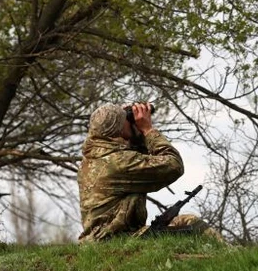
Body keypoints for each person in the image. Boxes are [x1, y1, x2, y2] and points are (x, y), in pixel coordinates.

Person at [77, 102, 219, 242]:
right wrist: (148, 130)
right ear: (117, 128)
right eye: (126, 120)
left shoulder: (91, 160)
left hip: (100, 238)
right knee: (190, 222)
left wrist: (132, 131)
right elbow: (174, 165)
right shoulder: (120, 162)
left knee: (179, 223)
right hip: (116, 239)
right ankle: (233, 257)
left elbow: (137, 161)